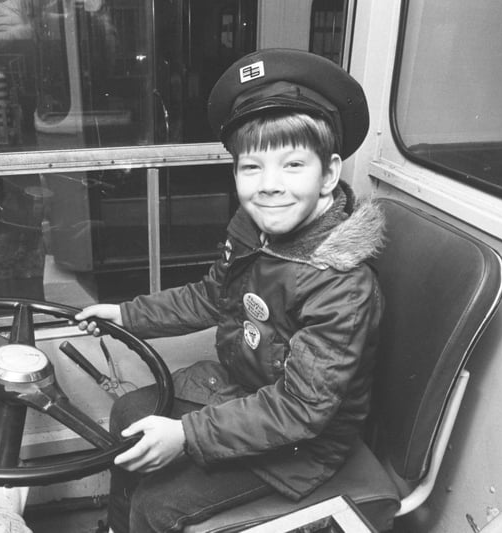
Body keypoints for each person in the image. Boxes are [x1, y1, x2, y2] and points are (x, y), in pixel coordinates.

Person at [75, 48, 385, 533]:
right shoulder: (251, 230)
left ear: (328, 175)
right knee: (129, 415)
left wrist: (185, 434)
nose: (270, 186)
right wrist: (126, 314)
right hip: (243, 386)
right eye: (251, 167)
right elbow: (211, 296)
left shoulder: (342, 285)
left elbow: (302, 409)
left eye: (293, 166)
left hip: (301, 442)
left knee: (158, 507)